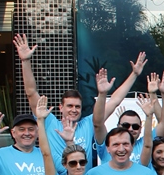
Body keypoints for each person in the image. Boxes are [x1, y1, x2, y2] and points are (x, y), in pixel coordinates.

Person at [14, 34, 141, 168]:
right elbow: (31, 92)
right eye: (70, 106)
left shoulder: (88, 124)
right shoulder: (49, 122)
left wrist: (134, 75)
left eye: (77, 107)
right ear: (61, 107)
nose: (74, 110)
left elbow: (115, 100)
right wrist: (25, 61)